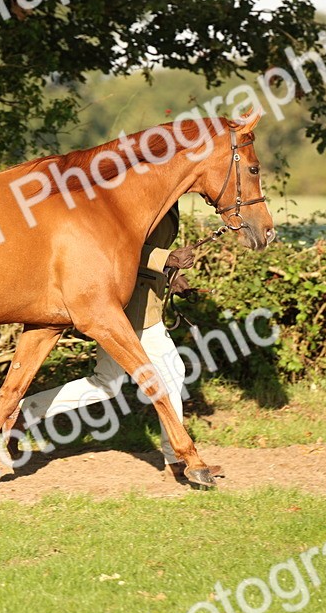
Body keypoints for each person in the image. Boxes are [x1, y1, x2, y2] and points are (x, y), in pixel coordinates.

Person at [11, 202, 220, 481]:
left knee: (107, 382)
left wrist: (172, 275)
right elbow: (119, 242)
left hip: (139, 299)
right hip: (132, 304)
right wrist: (165, 259)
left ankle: (26, 410)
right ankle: (178, 459)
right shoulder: (147, 191)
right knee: (172, 371)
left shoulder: (169, 196)